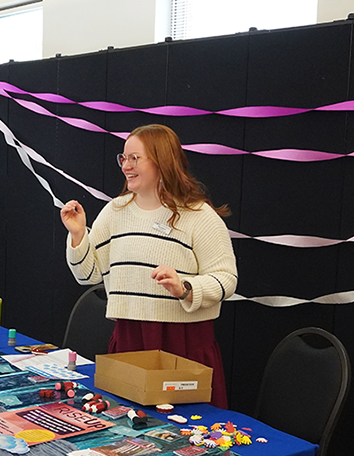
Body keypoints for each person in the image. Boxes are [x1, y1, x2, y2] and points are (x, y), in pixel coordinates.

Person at [60, 124, 237, 409]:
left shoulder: (199, 215)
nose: (126, 166)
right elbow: (89, 274)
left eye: (134, 158)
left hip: (183, 344)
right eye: (123, 158)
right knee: (127, 432)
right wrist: (79, 235)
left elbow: (227, 279)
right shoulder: (116, 211)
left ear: (161, 160)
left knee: (187, 435)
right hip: (129, 340)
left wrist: (185, 288)